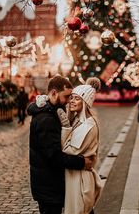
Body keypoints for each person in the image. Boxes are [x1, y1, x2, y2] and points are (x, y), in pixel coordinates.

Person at [27, 75, 93, 214]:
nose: (69, 101)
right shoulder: (46, 119)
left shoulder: (53, 111)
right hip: (48, 187)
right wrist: (82, 163)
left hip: (49, 184)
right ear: (54, 93)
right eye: (66, 96)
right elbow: (54, 156)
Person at [56, 77, 102, 214]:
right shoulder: (77, 120)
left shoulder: (88, 125)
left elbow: (68, 150)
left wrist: (65, 129)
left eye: (77, 98)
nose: (72, 101)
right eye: (71, 98)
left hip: (80, 180)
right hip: (75, 176)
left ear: (85, 102)